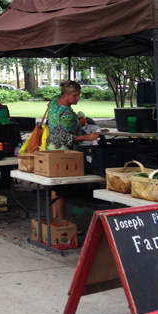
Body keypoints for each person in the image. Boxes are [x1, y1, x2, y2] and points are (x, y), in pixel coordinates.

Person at [45, 80, 100, 220]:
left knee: (55, 187)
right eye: (75, 95)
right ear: (65, 94)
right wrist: (88, 136)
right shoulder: (67, 114)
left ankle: (56, 219)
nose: (77, 98)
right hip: (63, 154)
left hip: (50, 149)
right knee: (62, 189)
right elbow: (65, 138)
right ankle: (62, 221)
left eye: (78, 95)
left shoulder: (53, 102)